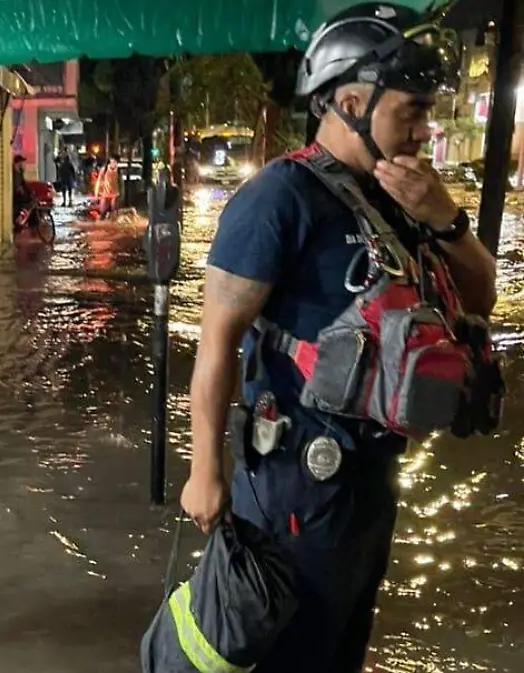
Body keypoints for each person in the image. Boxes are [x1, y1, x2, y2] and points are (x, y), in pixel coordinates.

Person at [180, 4, 498, 672]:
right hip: (297, 485)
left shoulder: (402, 198)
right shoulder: (278, 197)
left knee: (340, 651)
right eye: (410, 110)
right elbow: (217, 341)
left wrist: (446, 218)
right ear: (351, 100)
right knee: (286, 653)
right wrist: (204, 468)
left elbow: (481, 296)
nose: (423, 128)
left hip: (370, 485)